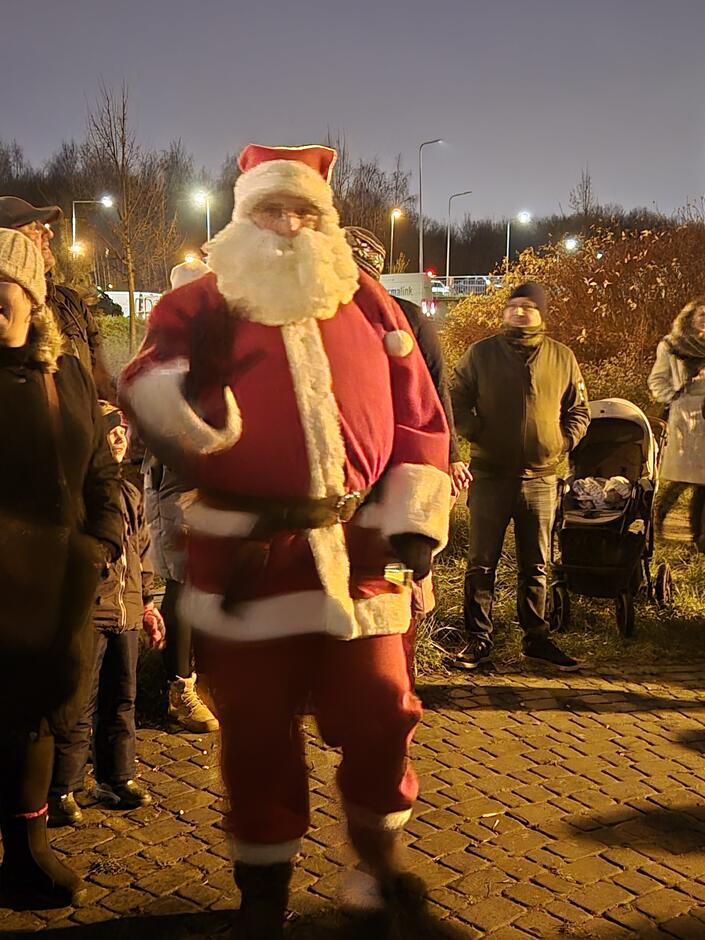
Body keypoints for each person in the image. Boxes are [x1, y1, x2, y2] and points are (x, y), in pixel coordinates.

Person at [119, 143, 451, 937]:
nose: (291, 227)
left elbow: (420, 415)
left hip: (362, 551)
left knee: (380, 712)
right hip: (248, 560)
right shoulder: (202, 302)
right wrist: (196, 423)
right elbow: (144, 383)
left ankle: (377, 867)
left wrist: (413, 523)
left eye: (306, 213)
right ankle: (262, 895)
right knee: (258, 733)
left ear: (325, 221)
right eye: (274, 211)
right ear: (243, 217)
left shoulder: (370, 302)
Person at [0, 229, 122, 908]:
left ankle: (26, 855)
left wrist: (101, 540)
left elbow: (101, 465)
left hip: (54, 587)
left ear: (31, 299)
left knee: (37, 722)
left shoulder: (65, 372)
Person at [344, 225, 470, 680]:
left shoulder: (409, 320)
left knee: (397, 590)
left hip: (398, 487)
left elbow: (432, 397)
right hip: (343, 494)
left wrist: (449, 456)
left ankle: (396, 683)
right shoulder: (318, 317)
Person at [451, 282, 589, 672]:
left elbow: (579, 410)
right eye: (513, 306)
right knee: (481, 562)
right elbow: (454, 397)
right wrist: (474, 430)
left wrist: (562, 441)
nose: (519, 313)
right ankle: (478, 639)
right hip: (491, 475)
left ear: (542, 313)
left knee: (537, 563)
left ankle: (537, 638)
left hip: (541, 479)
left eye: (528, 307)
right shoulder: (481, 354)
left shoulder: (562, 357)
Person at [49, 403, 166, 827]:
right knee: (78, 703)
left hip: (127, 613)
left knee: (123, 698)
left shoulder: (130, 491)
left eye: (123, 431)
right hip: (89, 615)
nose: (120, 438)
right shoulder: (75, 490)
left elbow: (143, 554)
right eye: (110, 430)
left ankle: (116, 778)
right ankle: (63, 786)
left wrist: (148, 605)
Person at [142, 259, 219, 733]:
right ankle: (179, 690)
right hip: (180, 485)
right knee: (184, 584)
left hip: (210, 484)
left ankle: (203, 676)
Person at [0, 196, 114, 399]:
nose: (49, 233)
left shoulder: (70, 302)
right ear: (7, 241)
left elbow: (99, 380)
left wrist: (108, 417)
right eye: (34, 228)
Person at [648, 296, 705, 548]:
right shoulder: (672, 345)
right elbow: (657, 379)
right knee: (682, 479)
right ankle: (656, 519)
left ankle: (698, 537)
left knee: (704, 482)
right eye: (702, 314)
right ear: (690, 317)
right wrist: (675, 396)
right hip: (684, 417)